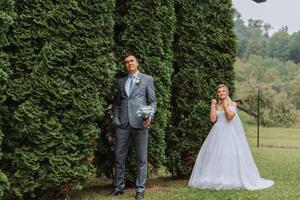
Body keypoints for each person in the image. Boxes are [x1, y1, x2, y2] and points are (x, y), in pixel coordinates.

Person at [188, 84, 273, 190]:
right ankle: (216, 178)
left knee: (231, 153)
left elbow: (229, 117)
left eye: (223, 91)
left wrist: (224, 105)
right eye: (219, 92)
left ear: (227, 93)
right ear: (217, 94)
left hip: (229, 132)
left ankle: (232, 178)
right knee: (216, 154)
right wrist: (213, 105)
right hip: (217, 132)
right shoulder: (216, 105)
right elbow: (213, 119)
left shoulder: (232, 104)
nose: (221, 93)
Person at [110, 54, 157, 200]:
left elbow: (152, 102)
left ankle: (140, 191)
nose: (129, 63)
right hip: (122, 125)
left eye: (132, 61)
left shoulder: (147, 79)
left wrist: (149, 117)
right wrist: (116, 120)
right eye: (126, 62)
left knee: (142, 159)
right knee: (119, 157)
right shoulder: (121, 81)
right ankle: (118, 188)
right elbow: (117, 103)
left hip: (140, 124)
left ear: (137, 63)